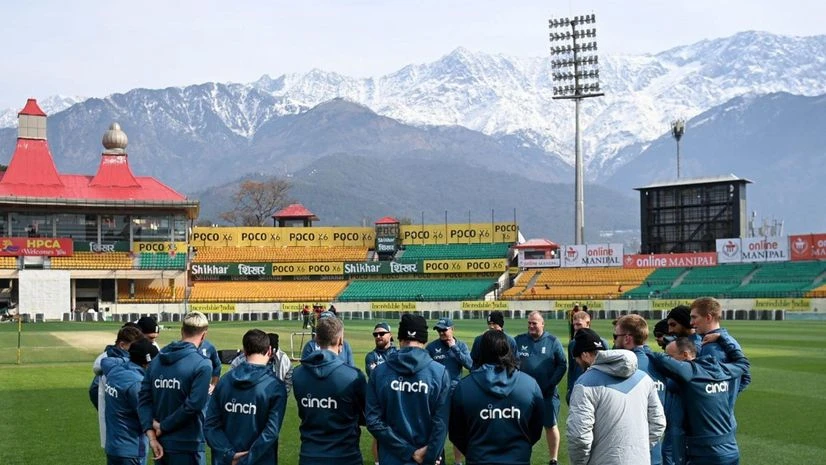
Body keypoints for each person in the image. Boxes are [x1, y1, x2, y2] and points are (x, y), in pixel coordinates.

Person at [567, 328, 665, 465]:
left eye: (575, 358)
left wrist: (580, 463)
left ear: (583, 355)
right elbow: (659, 423)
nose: (576, 362)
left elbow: (579, 436)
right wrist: (637, 450)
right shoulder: (644, 379)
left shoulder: (584, 383)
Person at [648, 336, 750, 465]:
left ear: (685, 355)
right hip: (730, 449)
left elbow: (660, 359)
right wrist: (723, 338)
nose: (669, 361)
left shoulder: (691, 373)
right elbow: (743, 363)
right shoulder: (722, 370)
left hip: (705, 453)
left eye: (670, 356)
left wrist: (642, 349)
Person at [449, 330, 544, 465]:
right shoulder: (530, 385)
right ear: (507, 350)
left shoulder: (464, 387)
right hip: (517, 459)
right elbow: (536, 428)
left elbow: (455, 432)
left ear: (480, 351)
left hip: (479, 458)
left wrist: (474, 453)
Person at [366, 314, 451, 465]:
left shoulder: (379, 372)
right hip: (428, 458)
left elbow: (373, 421)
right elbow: (441, 424)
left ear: (399, 339)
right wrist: (428, 456)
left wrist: (407, 451)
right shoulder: (440, 373)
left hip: (393, 458)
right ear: (424, 341)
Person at [138, 311, 213, 465]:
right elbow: (194, 405)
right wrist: (163, 426)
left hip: (160, 443)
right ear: (204, 336)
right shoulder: (202, 364)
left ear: (182, 331)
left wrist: (151, 436)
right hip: (188, 443)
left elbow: (143, 399)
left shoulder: (157, 360)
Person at [205, 329, 288, 465]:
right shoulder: (275, 386)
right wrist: (246, 459)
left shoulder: (224, 381)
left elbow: (210, 425)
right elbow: (270, 432)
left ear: (244, 350)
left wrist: (228, 454)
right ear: (270, 351)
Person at [293, 316, 367, 465]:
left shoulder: (298, 374)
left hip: (309, 455)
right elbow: (366, 415)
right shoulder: (353, 376)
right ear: (340, 340)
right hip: (345, 456)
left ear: (317, 340)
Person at [613, 314, 669, 465]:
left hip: (629, 452)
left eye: (615, 335)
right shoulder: (661, 363)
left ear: (627, 338)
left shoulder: (623, 368)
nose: (614, 340)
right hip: (656, 449)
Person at [514, 311, 566, 465]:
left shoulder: (552, 341)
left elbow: (562, 364)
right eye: (529, 323)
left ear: (542, 324)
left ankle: (553, 459)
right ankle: (522, 457)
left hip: (547, 393)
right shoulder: (519, 340)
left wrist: (551, 383)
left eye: (534, 323)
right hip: (523, 394)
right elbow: (510, 360)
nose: (531, 326)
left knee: (550, 425)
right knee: (522, 426)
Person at [103, 338, 159, 465]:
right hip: (131, 448)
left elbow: (105, 362)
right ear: (146, 364)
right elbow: (147, 417)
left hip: (113, 446)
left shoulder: (115, 371)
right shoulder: (136, 384)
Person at [425, 317, 473, 465]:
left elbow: (470, 365)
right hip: (437, 396)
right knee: (437, 430)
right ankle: (438, 459)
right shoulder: (431, 347)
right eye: (439, 330)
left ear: (452, 329)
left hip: (455, 394)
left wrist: (454, 348)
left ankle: (458, 462)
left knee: (457, 430)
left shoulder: (461, 346)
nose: (441, 333)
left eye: (444, 330)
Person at [92, 325, 145, 449]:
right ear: (122, 345)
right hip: (128, 435)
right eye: (133, 347)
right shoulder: (118, 367)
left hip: (115, 431)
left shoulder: (106, 361)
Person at [690, 297, 751, 395]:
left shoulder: (710, 347)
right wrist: (729, 398)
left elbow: (709, 386)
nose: (691, 323)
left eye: (694, 317)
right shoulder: (731, 340)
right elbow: (746, 377)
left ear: (708, 318)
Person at [365, 322, 397, 465]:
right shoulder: (371, 356)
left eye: (382, 333)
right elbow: (374, 376)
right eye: (375, 334)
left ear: (390, 335)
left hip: (396, 399)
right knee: (378, 434)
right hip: (378, 401)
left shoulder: (398, 353)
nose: (378, 336)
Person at [566, 311, 609, 404]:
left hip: (596, 388)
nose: (576, 328)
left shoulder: (601, 343)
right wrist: (569, 389)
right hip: (578, 386)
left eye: (579, 324)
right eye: (574, 325)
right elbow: (571, 369)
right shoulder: (572, 344)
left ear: (588, 323)